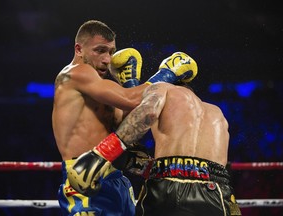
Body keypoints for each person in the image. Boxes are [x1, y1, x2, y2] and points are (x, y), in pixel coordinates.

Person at [52, 19, 197, 216]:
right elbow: (133, 99)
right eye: (100, 50)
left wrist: (130, 82)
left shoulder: (98, 86)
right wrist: (167, 74)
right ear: (79, 49)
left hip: (114, 176)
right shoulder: (76, 73)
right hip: (85, 177)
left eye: (111, 52)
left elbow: (130, 121)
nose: (107, 59)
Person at [68, 66, 242, 215]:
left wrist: (103, 153)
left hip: (168, 184)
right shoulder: (217, 114)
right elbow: (205, 168)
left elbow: (147, 112)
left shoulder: (164, 88)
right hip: (217, 188)